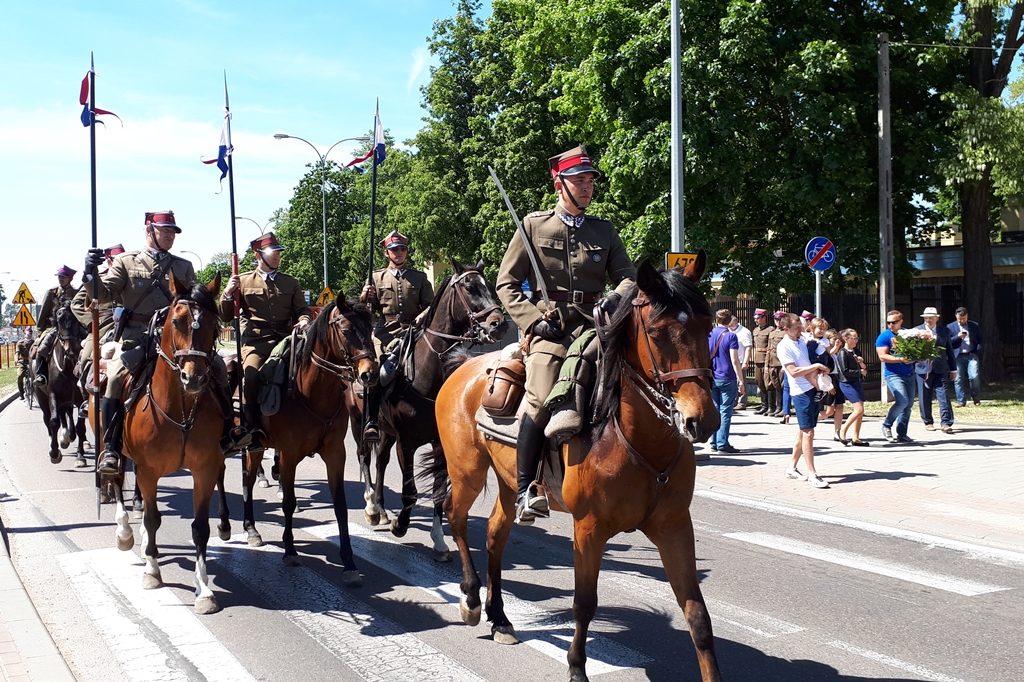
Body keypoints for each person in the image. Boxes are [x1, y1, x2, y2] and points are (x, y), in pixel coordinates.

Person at [496, 144, 636, 525]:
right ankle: (527, 489)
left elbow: (628, 276)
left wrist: (613, 299)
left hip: (593, 327)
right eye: (579, 180)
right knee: (541, 399)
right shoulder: (533, 226)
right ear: (560, 184)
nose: (587, 187)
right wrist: (531, 321)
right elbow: (506, 283)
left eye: (590, 181)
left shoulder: (603, 231)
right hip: (551, 330)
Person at [84, 210, 210, 475]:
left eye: (172, 232)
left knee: (216, 369)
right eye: (165, 231)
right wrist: (90, 274)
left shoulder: (183, 266)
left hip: (175, 338)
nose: (170, 236)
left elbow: (196, 301)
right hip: (135, 336)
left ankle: (227, 433)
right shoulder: (126, 262)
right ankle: (110, 447)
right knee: (116, 377)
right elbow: (105, 294)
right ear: (149, 231)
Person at [219, 232, 312, 452]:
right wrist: (228, 293)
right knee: (251, 377)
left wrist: (305, 319)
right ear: (258, 254)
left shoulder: (290, 282)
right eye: (273, 252)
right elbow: (224, 315)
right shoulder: (242, 280)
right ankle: (251, 432)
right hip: (256, 341)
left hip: (286, 339)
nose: (277, 256)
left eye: (279, 252)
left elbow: (302, 310)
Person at [359, 230, 435, 441]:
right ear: (386, 253)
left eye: (402, 249)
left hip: (413, 330)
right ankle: (372, 421)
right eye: (394, 250)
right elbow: (368, 311)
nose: (399, 253)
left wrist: (422, 315)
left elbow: (431, 306)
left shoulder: (419, 278)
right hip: (385, 332)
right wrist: (366, 297)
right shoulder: (375, 277)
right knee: (375, 373)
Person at [777, 313, 831, 488]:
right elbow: (793, 372)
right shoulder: (783, 346)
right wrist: (815, 366)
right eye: (796, 328)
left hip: (813, 388)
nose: (801, 330)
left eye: (801, 327)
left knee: (803, 430)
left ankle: (792, 467)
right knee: (808, 432)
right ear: (786, 329)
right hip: (800, 391)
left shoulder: (802, 340)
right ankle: (812, 474)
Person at [33, 265, 80, 385]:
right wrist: (40, 333)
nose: (60, 279)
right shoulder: (51, 293)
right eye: (59, 276)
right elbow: (43, 314)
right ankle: (41, 375)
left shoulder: (77, 293)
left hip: (72, 328)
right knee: (41, 348)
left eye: (64, 277)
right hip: (52, 328)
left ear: (70, 278)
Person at [914, 306, 958, 433]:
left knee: (943, 395)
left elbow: (949, 350)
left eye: (931, 318)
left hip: (941, 368)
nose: (928, 320)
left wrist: (953, 369)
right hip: (923, 370)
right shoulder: (917, 331)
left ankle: (946, 423)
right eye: (926, 318)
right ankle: (928, 421)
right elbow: (913, 351)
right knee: (924, 396)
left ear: (936, 318)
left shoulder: (944, 331)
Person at [875, 309, 916, 444]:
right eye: (888, 323)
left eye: (894, 322)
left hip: (909, 373)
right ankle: (886, 425)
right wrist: (901, 359)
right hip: (893, 374)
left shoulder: (908, 334)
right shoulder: (884, 336)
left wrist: (917, 358)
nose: (890, 325)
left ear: (901, 322)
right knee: (902, 401)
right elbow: (882, 356)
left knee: (908, 405)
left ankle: (902, 434)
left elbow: (915, 351)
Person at [709, 310, 745, 453]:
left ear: (716, 319)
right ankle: (722, 443)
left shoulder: (709, 334)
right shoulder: (731, 336)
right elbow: (734, 360)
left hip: (712, 376)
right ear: (729, 321)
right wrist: (740, 380)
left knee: (715, 409)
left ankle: (713, 442)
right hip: (727, 376)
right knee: (725, 411)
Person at [835, 328, 869, 445]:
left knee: (860, 411)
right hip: (847, 383)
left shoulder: (856, 351)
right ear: (846, 339)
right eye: (854, 338)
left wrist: (860, 362)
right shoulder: (842, 353)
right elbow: (845, 371)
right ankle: (842, 431)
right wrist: (860, 372)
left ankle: (856, 437)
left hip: (856, 382)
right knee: (859, 409)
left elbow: (864, 367)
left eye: (857, 338)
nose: (856, 340)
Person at [947, 306, 982, 407]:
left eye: (964, 318)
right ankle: (961, 401)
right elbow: (948, 342)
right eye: (959, 318)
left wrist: (976, 351)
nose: (962, 320)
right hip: (957, 355)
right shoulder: (950, 327)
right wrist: (957, 337)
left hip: (971, 354)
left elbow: (980, 339)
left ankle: (975, 397)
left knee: (974, 376)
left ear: (967, 316)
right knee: (958, 378)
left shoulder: (974, 325)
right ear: (956, 316)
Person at [764, 311, 787, 418]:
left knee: (782, 386)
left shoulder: (786, 333)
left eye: (780, 319)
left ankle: (782, 407)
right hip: (772, 362)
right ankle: (775, 407)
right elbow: (769, 349)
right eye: (776, 319)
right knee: (774, 385)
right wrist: (766, 365)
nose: (777, 322)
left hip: (781, 362)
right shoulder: (772, 333)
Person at [728, 315, 752, 411]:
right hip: (730, 361)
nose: (729, 327)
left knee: (741, 382)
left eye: (731, 325)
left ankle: (742, 402)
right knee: (732, 382)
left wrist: (746, 362)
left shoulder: (744, 332)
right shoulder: (728, 331)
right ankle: (733, 401)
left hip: (740, 361)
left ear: (736, 323)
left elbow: (748, 348)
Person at [750, 309, 772, 414]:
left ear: (764, 318)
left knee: (768, 383)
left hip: (766, 360)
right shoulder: (755, 330)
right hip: (757, 360)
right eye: (755, 318)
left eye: (758, 318)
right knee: (760, 382)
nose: (756, 320)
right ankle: (764, 405)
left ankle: (771, 406)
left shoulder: (770, 330)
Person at [16, 328, 33, 400]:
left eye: (30, 334)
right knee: (20, 376)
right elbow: (17, 352)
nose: (29, 335)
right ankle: (21, 393)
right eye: (28, 334)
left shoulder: (34, 342)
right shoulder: (20, 343)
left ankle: (35, 391)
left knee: (36, 375)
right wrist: (16, 359)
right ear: (25, 334)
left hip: (32, 362)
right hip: (23, 362)